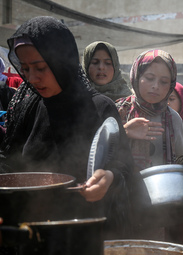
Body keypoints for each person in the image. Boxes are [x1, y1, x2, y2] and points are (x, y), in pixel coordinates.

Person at [2, 16, 134, 239]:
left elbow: (126, 169)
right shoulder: (29, 106)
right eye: (25, 69)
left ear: (61, 61)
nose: (32, 78)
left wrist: (109, 177)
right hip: (30, 232)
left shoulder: (99, 108)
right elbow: (9, 160)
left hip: (81, 234)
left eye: (40, 68)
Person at [116, 49, 183, 243]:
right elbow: (99, 151)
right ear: (136, 76)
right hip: (121, 201)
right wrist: (124, 132)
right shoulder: (119, 111)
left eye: (163, 82)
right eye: (149, 78)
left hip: (157, 205)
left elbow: (182, 156)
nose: (156, 87)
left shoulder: (172, 118)